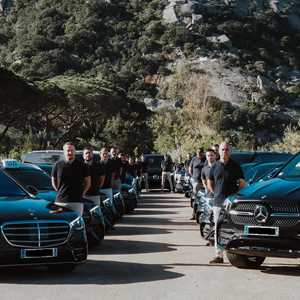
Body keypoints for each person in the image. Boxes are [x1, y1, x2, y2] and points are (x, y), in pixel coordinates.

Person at [207, 141, 246, 264]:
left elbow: (242, 184)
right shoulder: (215, 166)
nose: (225, 152)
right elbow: (210, 182)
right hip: (218, 203)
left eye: (227, 150)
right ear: (219, 151)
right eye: (223, 149)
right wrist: (216, 193)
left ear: (230, 151)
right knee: (218, 228)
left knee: (233, 229)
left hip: (232, 204)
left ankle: (235, 253)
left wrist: (235, 196)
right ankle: (219, 256)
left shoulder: (236, 166)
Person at [51, 142, 91, 216]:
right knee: (62, 224)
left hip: (77, 202)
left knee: (77, 223)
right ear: (64, 152)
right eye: (68, 150)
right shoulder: (57, 164)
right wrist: (59, 191)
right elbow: (53, 180)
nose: (70, 152)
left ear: (75, 151)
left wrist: (82, 193)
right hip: (60, 201)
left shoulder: (83, 166)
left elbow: (88, 183)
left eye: (72, 150)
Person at [189, 148, 206, 219]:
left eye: (200, 152)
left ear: (203, 153)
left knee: (205, 199)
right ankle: (194, 214)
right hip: (196, 181)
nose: (199, 154)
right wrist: (193, 177)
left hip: (204, 182)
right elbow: (190, 169)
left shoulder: (206, 159)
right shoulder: (194, 159)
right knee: (196, 199)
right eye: (198, 152)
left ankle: (204, 215)